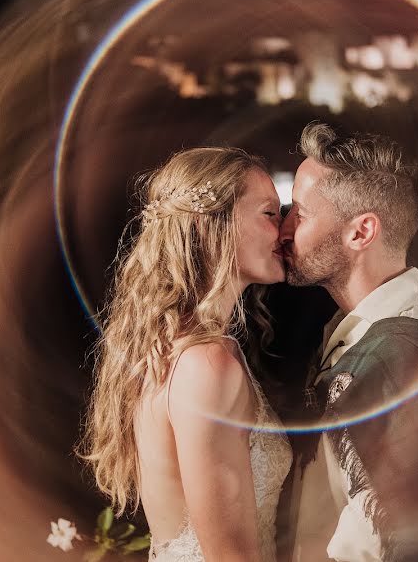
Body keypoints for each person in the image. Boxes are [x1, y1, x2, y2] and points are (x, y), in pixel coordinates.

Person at [279, 122, 418, 562]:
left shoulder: (396, 357)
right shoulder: (362, 339)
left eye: (298, 214)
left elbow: (383, 540)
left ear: (361, 232)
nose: (283, 230)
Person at [80, 147, 293, 562]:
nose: (283, 230)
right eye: (269, 213)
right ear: (207, 225)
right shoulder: (205, 365)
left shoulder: (180, 351)